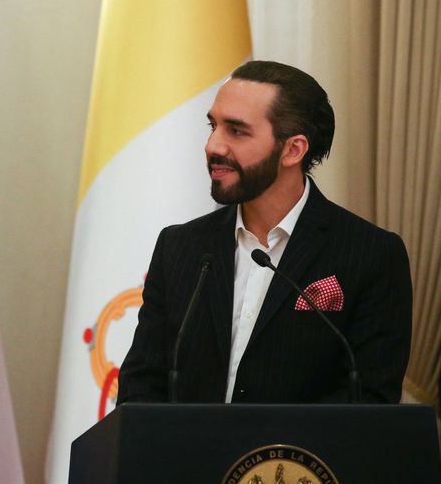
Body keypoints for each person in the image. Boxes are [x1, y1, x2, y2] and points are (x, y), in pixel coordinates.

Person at [117, 61, 412, 404]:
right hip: (189, 456)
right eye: (213, 126)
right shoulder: (180, 246)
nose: (214, 146)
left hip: (296, 458)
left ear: (293, 150)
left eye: (236, 131)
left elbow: (368, 401)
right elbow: (142, 386)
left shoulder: (370, 254)